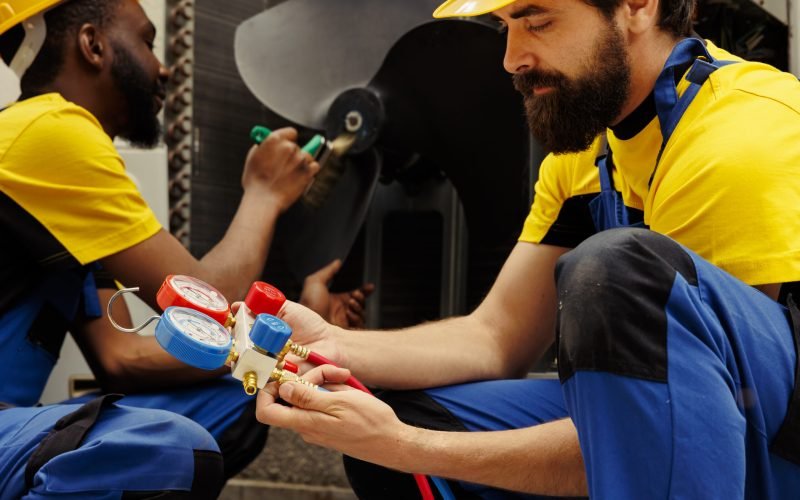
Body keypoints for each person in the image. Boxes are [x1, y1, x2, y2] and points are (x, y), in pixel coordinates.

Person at [254, 0, 800, 498]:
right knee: (396, 414)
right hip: (685, 413)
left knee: (616, 270)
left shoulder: (736, 138)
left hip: (776, 445)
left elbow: (696, 423)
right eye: (505, 27)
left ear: (637, 6)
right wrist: (332, 344)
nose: (512, 59)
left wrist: (405, 445)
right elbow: (496, 336)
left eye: (538, 21)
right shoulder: (584, 154)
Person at [0, 0, 372, 498]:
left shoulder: (60, 188)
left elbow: (122, 358)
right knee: (168, 446)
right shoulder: (50, 131)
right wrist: (264, 194)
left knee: (240, 396)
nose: (164, 67)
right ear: (93, 45)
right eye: (148, 41)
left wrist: (288, 348)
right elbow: (210, 301)